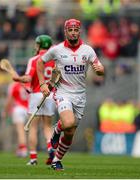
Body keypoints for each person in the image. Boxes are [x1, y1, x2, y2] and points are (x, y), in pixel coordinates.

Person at [37, 18, 105, 170]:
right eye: (70, 30)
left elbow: (99, 68)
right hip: (63, 92)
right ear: (65, 32)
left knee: (70, 132)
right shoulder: (57, 49)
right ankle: (56, 130)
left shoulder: (88, 50)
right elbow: (40, 62)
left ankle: (56, 160)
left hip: (80, 95)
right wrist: (42, 84)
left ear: (79, 31)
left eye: (76, 30)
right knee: (68, 123)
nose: (73, 33)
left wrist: (100, 71)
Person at [12, 35, 56, 165]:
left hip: (36, 94)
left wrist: (18, 78)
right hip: (50, 95)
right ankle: (50, 149)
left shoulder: (34, 59)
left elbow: (28, 79)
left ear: (39, 45)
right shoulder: (54, 59)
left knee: (33, 128)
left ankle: (33, 158)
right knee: (48, 127)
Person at [3, 80, 29, 157]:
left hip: (19, 108)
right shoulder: (30, 83)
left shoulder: (14, 85)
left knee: (20, 131)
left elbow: (10, 100)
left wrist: (6, 111)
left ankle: (23, 149)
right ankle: (26, 149)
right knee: (29, 131)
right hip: (30, 109)